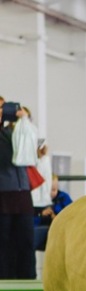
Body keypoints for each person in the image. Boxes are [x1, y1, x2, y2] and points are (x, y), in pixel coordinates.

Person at [0, 99, 35, 279]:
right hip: (3, 196)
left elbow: (24, 152)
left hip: (22, 194)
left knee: (26, 241)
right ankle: (4, 283)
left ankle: (28, 280)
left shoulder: (12, 131)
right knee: (4, 243)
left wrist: (24, 120)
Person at [34, 174, 72, 251]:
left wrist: (57, 218)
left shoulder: (64, 198)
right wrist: (40, 214)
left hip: (58, 229)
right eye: (50, 190)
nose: (53, 193)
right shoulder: (36, 199)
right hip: (40, 228)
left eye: (55, 189)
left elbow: (71, 216)